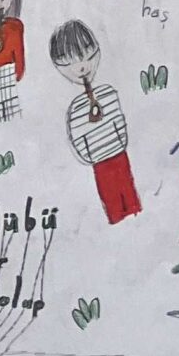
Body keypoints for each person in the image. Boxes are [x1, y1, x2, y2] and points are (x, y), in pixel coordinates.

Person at [49, 21, 140, 224]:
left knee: (130, 195)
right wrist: (91, 156)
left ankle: (135, 218)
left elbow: (118, 120)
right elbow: (77, 137)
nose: (82, 66)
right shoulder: (76, 109)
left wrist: (118, 142)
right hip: (100, 163)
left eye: (87, 55)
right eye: (69, 61)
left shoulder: (107, 93)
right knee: (112, 201)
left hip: (119, 154)